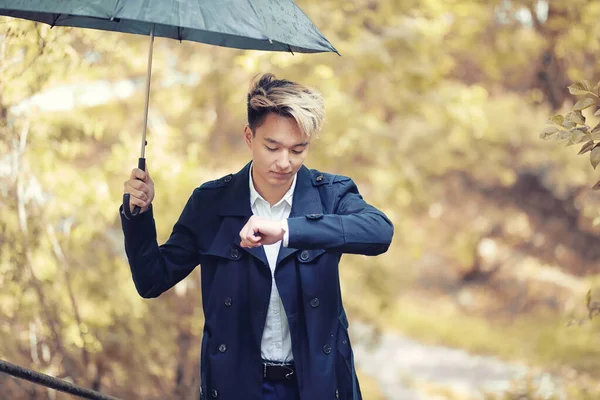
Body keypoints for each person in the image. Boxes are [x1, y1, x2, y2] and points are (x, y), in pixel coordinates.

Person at [120, 73, 394, 400]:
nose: (284, 162)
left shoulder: (330, 193)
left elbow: (379, 231)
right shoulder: (211, 203)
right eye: (272, 146)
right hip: (239, 387)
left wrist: (289, 231)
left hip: (318, 386)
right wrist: (139, 214)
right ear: (249, 137)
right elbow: (152, 279)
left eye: (298, 149)